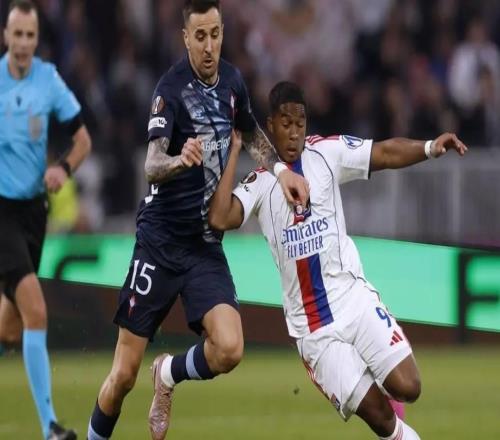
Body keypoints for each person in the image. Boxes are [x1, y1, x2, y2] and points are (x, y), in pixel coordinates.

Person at [86, 2, 307, 439]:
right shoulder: (170, 90)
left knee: (230, 348)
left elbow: (251, 134)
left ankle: (168, 373)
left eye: (215, 34)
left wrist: (282, 172)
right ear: (185, 38)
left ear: (222, 32)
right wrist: (178, 160)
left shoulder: (233, 82)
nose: (209, 46)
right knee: (123, 376)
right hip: (160, 244)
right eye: (200, 36)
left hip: (204, 246)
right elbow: (151, 164)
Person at [208, 81, 468, 440]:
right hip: (313, 331)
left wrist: (429, 147)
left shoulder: (326, 154)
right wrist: (235, 152)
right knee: (381, 419)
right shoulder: (260, 182)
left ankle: (373, 373)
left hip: (353, 300)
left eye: (300, 124)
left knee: (409, 386)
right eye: (286, 124)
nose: (294, 132)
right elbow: (220, 217)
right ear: (270, 125)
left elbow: (384, 153)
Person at [0, 1, 92, 439]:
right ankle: (50, 428)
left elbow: (83, 140)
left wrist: (63, 168)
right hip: (1, 213)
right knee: (35, 311)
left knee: (9, 325)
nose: (23, 43)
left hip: (34, 213)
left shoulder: (48, 80)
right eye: (16, 34)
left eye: (29, 35)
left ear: (37, 39)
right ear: (5, 36)